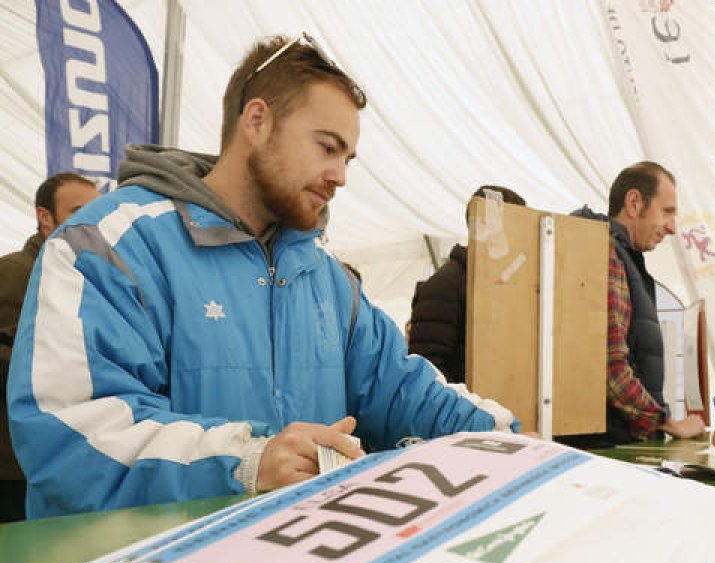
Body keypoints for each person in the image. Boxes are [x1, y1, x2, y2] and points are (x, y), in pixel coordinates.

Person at [8, 34, 515, 519]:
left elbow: (404, 389)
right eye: (326, 147)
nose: (341, 174)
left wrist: (506, 437)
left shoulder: (326, 276)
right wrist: (245, 460)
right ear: (257, 121)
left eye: (347, 157)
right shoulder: (108, 244)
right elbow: (72, 431)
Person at [562, 162, 705, 448]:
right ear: (634, 202)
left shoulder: (620, 258)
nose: (672, 227)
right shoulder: (606, 254)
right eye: (667, 212)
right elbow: (609, 365)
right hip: (610, 445)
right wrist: (664, 421)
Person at [0, 173, 99, 522]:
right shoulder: (13, 274)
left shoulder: (89, 274)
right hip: (13, 465)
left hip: (65, 455)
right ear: (46, 217)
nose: (91, 222)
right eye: (78, 211)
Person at [408, 185, 525, 383]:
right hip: (470, 411)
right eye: (515, 225)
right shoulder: (444, 286)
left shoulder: (502, 282)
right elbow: (429, 371)